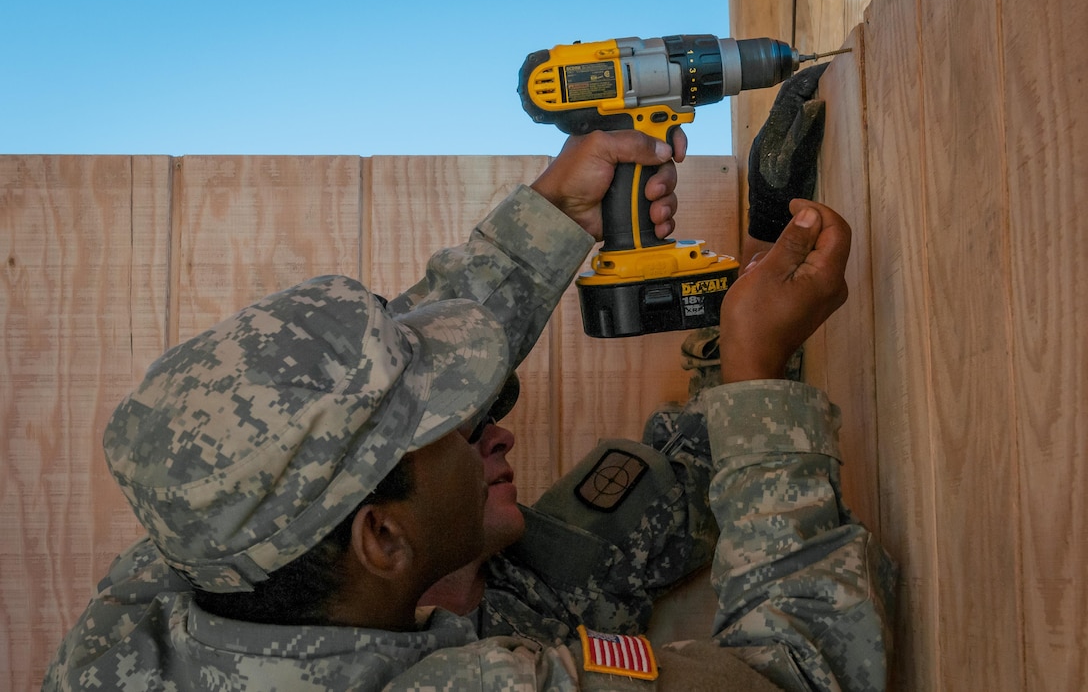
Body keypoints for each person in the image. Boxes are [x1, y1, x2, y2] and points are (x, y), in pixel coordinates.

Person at [44, 67, 895, 691]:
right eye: (451, 422)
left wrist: (551, 220)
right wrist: (757, 384)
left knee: (631, 506)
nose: (493, 422)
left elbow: (347, 402)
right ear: (380, 538)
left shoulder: (180, 571)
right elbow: (806, 670)